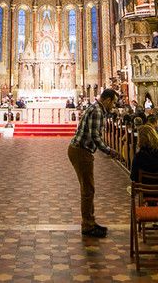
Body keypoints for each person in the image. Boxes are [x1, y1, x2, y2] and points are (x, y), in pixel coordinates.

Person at [68, 87, 118, 238]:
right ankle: (88, 225)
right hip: (81, 151)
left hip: (80, 150)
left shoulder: (96, 108)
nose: (113, 106)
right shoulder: (97, 111)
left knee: (88, 188)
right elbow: (95, 136)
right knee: (88, 189)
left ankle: (90, 221)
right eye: (113, 103)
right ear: (108, 100)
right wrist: (109, 150)